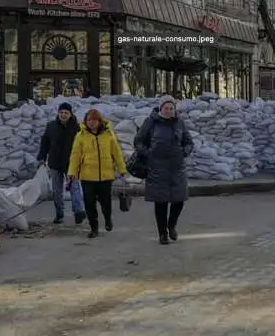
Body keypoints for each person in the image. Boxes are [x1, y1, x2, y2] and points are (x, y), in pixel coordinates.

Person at [134, 95, 193, 244]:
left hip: (176, 167)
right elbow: (138, 141)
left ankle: (171, 225)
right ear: (161, 109)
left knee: (179, 200)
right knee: (161, 202)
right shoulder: (151, 122)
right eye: (166, 108)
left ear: (175, 110)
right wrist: (148, 154)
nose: (169, 111)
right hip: (157, 168)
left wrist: (184, 152)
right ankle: (162, 234)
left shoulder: (179, 123)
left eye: (171, 108)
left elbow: (189, 142)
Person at [67, 109, 128, 238]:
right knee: (89, 203)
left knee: (105, 202)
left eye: (94, 120)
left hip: (105, 176)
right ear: (85, 121)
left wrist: (121, 169)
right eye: (89, 120)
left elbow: (116, 153)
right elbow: (75, 155)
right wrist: (71, 172)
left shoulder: (108, 134)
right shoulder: (81, 136)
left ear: (99, 121)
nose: (91, 123)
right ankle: (93, 228)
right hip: (87, 175)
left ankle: (107, 219)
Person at [37, 103, 85, 225]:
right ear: (58, 113)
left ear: (70, 114)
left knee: (75, 188)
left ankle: (78, 212)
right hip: (55, 163)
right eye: (61, 112)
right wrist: (41, 157)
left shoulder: (76, 128)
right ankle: (59, 213)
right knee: (57, 191)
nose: (63, 115)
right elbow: (45, 143)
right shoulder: (51, 126)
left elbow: (82, 145)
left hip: (71, 163)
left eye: (66, 113)